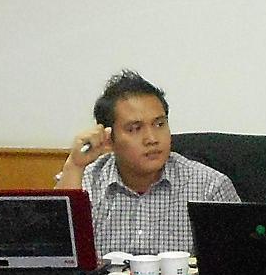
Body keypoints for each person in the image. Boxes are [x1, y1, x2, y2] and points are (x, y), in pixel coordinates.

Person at [53, 70, 236, 254]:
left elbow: (234, 261)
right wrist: (75, 166)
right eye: (135, 128)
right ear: (109, 139)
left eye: (159, 124)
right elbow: (57, 251)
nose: (152, 139)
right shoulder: (86, 183)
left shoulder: (209, 188)